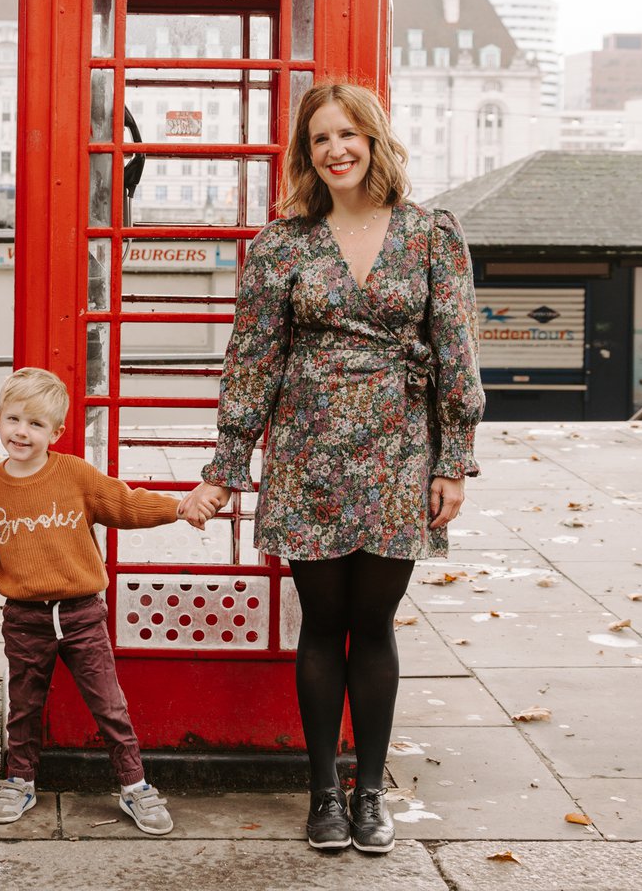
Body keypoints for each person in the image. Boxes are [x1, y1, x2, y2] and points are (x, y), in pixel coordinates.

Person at [181, 81, 483, 857]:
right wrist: (227, 465)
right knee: (321, 623)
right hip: (307, 453)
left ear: (374, 141)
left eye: (348, 134)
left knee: (373, 623)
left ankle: (369, 791)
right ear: (306, 153)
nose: (336, 149)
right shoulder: (282, 244)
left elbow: (457, 350)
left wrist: (454, 460)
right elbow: (252, 360)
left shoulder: (431, 234)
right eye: (320, 138)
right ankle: (323, 791)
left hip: (398, 451)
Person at [0, 366, 184, 836]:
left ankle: (134, 785)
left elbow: (126, 504)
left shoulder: (74, 474)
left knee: (110, 705)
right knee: (23, 707)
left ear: (55, 432)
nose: (22, 432)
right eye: (14, 419)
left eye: (36, 424)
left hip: (82, 614)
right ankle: (20, 781)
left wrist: (178, 507)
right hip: (24, 618)